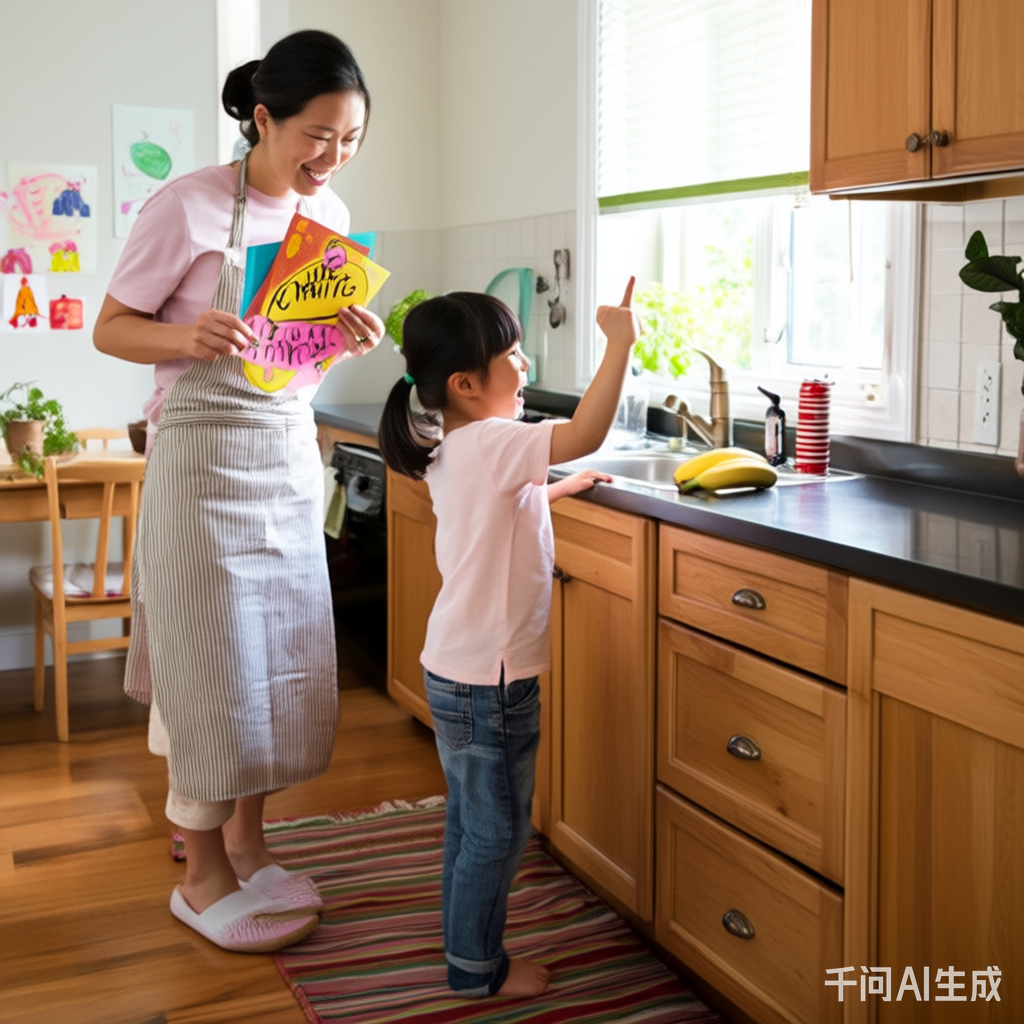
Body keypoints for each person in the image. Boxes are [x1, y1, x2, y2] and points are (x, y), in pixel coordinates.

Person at [93, 30, 383, 954]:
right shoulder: (188, 204)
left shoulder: (327, 212)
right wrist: (187, 338)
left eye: (348, 142)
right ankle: (204, 871)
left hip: (285, 458)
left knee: (277, 662)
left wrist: (347, 334)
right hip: (200, 464)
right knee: (212, 667)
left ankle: (253, 845)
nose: (330, 160)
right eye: (316, 136)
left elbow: (290, 359)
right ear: (262, 119)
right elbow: (111, 328)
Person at [377, 279, 640, 998]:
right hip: (491, 683)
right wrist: (619, 342)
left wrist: (556, 490)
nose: (525, 367)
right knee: (496, 834)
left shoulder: (455, 445)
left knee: (470, 823)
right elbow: (584, 431)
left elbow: (497, 509)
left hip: (457, 670)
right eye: (514, 355)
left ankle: (466, 949)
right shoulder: (494, 441)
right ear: (466, 384)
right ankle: (476, 970)